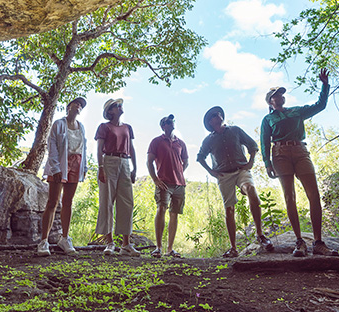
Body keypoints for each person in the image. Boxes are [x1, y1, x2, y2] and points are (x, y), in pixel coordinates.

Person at [260, 68, 338, 257]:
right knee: (290, 197)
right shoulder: (268, 119)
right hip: (280, 154)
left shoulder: (297, 111)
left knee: (314, 195)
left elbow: (320, 105)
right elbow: (264, 141)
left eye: (281, 95)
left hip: (301, 151)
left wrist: (325, 85)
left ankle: (318, 243)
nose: (279, 97)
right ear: (270, 101)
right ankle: (299, 242)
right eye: (275, 95)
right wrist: (267, 163)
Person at [197, 106, 274, 258]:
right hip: (224, 176)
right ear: (210, 122)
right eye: (213, 115)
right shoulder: (208, 140)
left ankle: (260, 235)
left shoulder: (235, 130)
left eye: (219, 113)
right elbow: (200, 157)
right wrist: (211, 171)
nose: (218, 115)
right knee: (229, 209)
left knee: (251, 189)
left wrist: (251, 161)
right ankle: (233, 248)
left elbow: (253, 146)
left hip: (241, 171)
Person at [38, 97, 88, 256]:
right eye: (76, 103)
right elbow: (52, 146)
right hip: (60, 163)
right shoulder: (59, 124)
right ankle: (43, 241)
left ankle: (64, 238)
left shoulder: (81, 127)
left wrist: (84, 167)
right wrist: (55, 167)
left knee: (68, 201)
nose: (79, 106)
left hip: (76, 163)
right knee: (52, 202)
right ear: (68, 107)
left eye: (81, 105)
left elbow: (83, 148)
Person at [95, 98, 141, 257]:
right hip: (109, 161)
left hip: (125, 162)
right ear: (110, 111)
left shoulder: (128, 127)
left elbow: (132, 148)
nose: (120, 107)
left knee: (127, 201)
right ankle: (109, 243)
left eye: (120, 105)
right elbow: (100, 148)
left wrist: (135, 168)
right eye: (116, 106)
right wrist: (101, 167)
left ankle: (126, 244)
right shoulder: (104, 127)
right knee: (107, 200)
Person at [147, 114, 188, 258]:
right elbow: (149, 161)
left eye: (172, 121)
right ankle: (158, 247)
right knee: (161, 208)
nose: (171, 123)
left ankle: (170, 249)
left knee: (174, 213)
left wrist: (179, 173)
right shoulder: (157, 141)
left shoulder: (180, 143)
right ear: (163, 126)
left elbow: (186, 161)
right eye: (168, 122)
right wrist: (155, 179)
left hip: (179, 184)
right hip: (163, 182)